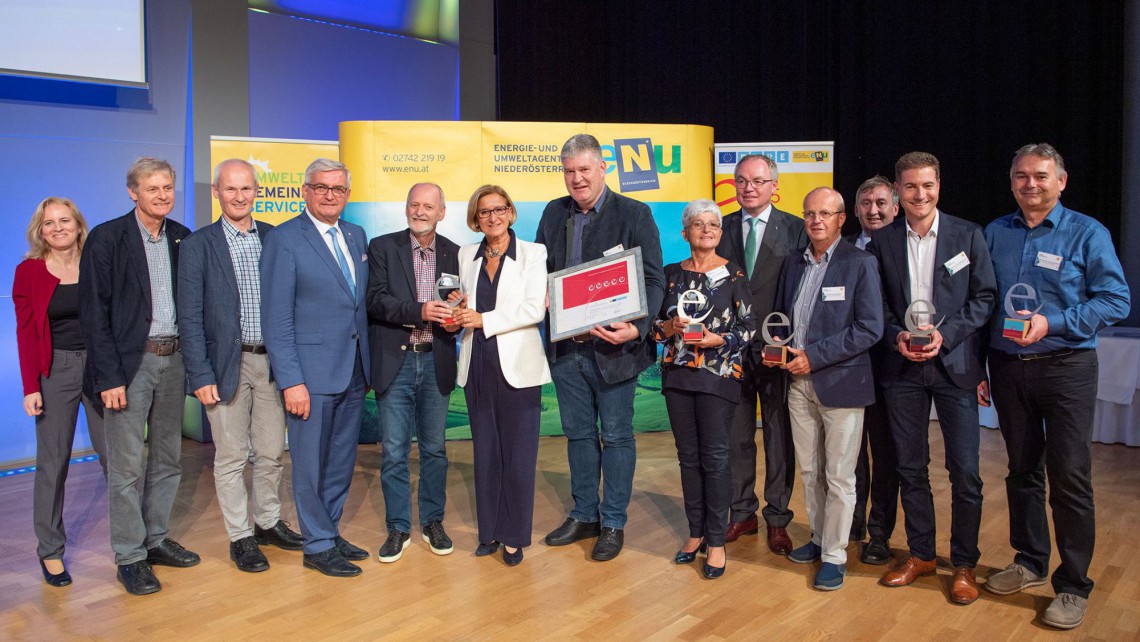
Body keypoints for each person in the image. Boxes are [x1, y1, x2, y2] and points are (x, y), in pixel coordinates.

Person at [979, 143, 1129, 629]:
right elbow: (984, 304)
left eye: (1041, 176)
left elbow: (1115, 299)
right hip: (1007, 367)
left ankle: (1073, 585)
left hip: (1066, 367)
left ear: (1060, 182)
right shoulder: (995, 233)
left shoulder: (1088, 232)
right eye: (1021, 176)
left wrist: (1057, 322)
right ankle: (1029, 561)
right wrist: (982, 367)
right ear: (1012, 182)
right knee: (1022, 470)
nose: (1031, 185)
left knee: (1069, 476)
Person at [869, 152, 996, 605]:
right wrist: (897, 334)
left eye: (927, 186)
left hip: (954, 366)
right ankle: (921, 554)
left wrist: (948, 334)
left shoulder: (968, 235)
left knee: (965, 472)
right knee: (909, 468)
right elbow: (876, 307)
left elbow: (983, 299)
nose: (919, 195)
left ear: (938, 186)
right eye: (910, 187)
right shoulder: (880, 242)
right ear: (898, 191)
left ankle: (964, 564)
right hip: (901, 368)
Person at [535, 134, 665, 561]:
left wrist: (638, 327)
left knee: (616, 436)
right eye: (569, 171)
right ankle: (584, 513)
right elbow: (542, 272)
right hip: (567, 351)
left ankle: (613, 522)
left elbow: (652, 279)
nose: (577, 179)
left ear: (602, 168)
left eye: (584, 170)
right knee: (578, 436)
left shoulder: (634, 213)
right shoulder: (553, 213)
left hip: (615, 350)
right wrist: (542, 295)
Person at [177, 159, 303, 574]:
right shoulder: (198, 245)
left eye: (246, 189)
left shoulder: (274, 238)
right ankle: (240, 537)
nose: (239, 196)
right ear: (216, 193)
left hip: (272, 364)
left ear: (256, 192)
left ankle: (267, 522)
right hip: (225, 366)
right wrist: (200, 374)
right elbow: (190, 317)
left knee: (270, 453)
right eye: (230, 189)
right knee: (231, 458)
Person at [80, 157, 199, 595]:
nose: (162, 195)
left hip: (175, 361)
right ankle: (130, 556)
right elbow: (95, 315)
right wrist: (109, 377)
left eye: (167, 187)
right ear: (133, 192)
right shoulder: (107, 238)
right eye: (153, 189)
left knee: (168, 459)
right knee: (127, 467)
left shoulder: (183, 238)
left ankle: (156, 539)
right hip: (130, 367)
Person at [260, 158, 371, 577]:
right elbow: (277, 318)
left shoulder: (355, 234)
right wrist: (292, 381)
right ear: (304, 191)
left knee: (341, 460)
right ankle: (317, 544)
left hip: (353, 370)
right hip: (310, 375)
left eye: (338, 189)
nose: (330, 195)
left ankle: (330, 529)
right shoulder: (285, 239)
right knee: (309, 463)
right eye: (321, 188)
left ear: (347, 193)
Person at [772, 187, 883, 591]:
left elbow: (870, 328)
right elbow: (785, 319)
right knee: (809, 470)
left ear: (841, 220)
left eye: (825, 213)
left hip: (840, 384)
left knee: (839, 475)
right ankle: (818, 538)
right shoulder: (794, 264)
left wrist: (815, 356)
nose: (816, 220)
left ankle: (835, 555)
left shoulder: (860, 264)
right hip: (797, 383)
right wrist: (780, 349)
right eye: (809, 214)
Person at [654, 199, 756, 579]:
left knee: (715, 457)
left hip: (718, 375)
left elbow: (749, 328)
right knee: (688, 457)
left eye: (713, 223)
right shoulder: (670, 275)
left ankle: (716, 541)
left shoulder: (734, 275)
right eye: (699, 224)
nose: (708, 229)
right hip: (678, 376)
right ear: (685, 233)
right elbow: (654, 328)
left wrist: (719, 341)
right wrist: (668, 329)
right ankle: (695, 532)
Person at [452, 184, 551, 566]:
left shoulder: (532, 253)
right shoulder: (466, 255)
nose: (492, 217)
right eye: (483, 212)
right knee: (486, 452)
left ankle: (513, 537)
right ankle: (489, 532)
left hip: (518, 366)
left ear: (511, 212)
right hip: (476, 362)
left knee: (519, 455)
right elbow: (462, 304)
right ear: (475, 220)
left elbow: (533, 310)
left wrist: (482, 319)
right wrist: (457, 313)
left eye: (499, 209)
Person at [14, 197, 107, 587]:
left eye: (64, 220)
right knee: (53, 464)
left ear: (77, 224)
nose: (57, 228)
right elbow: (25, 333)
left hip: (102, 368)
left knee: (118, 458)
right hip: (57, 370)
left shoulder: (97, 263)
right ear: (40, 230)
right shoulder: (29, 272)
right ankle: (50, 552)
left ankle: (133, 545)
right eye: (48, 223)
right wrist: (30, 386)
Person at [715, 153, 806, 554]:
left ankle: (778, 518)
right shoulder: (721, 228)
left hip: (776, 351)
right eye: (741, 180)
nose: (748, 187)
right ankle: (742, 512)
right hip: (731, 350)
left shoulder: (799, 230)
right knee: (737, 437)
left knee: (778, 436)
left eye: (757, 180)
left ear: (774, 186)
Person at [366, 182, 460, 563]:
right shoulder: (382, 247)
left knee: (435, 450)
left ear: (441, 212)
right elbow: (375, 301)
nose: (419, 211)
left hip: (436, 360)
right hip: (397, 363)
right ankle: (398, 526)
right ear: (406, 208)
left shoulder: (457, 253)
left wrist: (456, 321)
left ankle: (433, 521)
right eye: (414, 204)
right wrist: (419, 310)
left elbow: (460, 305)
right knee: (393, 452)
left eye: (428, 206)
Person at [844, 176, 900, 564]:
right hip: (847, 366)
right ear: (856, 210)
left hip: (891, 367)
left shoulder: (905, 247)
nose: (874, 210)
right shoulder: (841, 248)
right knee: (848, 454)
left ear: (895, 207)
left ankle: (879, 533)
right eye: (866, 203)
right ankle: (849, 525)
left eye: (881, 203)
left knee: (885, 455)